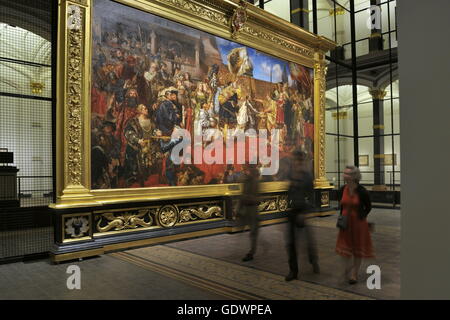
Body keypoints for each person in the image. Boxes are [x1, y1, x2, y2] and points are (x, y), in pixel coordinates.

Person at [336, 165, 374, 284]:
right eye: (344, 173)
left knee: (358, 249)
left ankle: (354, 274)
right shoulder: (342, 189)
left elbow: (368, 207)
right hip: (346, 224)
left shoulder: (362, 191)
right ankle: (346, 268)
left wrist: (362, 217)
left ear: (354, 176)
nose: (345, 175)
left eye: (347, 174)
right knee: (345, 248)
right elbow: (341, 205)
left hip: (358, 224)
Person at [285, 150, 320, 281]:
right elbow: (288, 192)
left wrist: (305, 214)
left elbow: (311, 197)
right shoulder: (290, 174)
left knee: (308, 241)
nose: (296, 163)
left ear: (302, 161)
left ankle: (313, 260)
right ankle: (293, 271)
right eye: (294, 160)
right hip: (292, 211)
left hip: (302, 211)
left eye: (298, 160)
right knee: (290, 243)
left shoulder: (307, 176)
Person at [236, 164, 261, 262]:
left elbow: (256, 195)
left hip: (252, 209)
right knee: (251, 231)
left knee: (253, 232)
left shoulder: (255, 181)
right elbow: (242, 195)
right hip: (247, 208)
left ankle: (251, 252)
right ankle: (251, 251)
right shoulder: (245, 180)